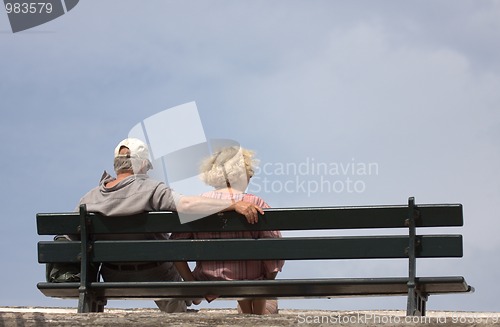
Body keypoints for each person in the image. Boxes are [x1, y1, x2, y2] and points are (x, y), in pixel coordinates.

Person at [77, 138, 264, 313]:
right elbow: (186, 205)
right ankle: (187, 303)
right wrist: (231, 204)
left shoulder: (89, 198)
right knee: (168, 264)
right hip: (155, 274)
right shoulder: (151, 188)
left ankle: (193, 296)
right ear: (142, 164)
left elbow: (72, 237)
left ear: (116, 164)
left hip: (112, 276)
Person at [171, 146, 284, 315]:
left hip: (209, 279)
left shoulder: (200, 204)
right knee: (258, 275)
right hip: (252, 279)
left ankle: (249, 311)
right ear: (238, 173)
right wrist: (267, 280)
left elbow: (174, 247)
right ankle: (258, 313)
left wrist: (191, 282)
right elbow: (275, 250)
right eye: (248, 171)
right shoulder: (256, 203)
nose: (251, 175)